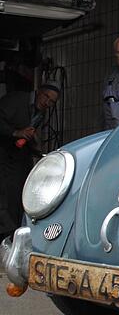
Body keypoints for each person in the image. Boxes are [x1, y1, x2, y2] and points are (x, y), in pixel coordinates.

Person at [0, 82, 60, 240]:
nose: (47, 102)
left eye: (51, 101)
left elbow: (26, 135)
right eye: (46, 96)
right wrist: (15, 132)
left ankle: (15, 235)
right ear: (39, 91)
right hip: (4, 156)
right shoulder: (17, 100)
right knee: (6, 198)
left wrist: (36, 149)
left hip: (17, 158)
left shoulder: (40, 112)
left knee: (20, 195)